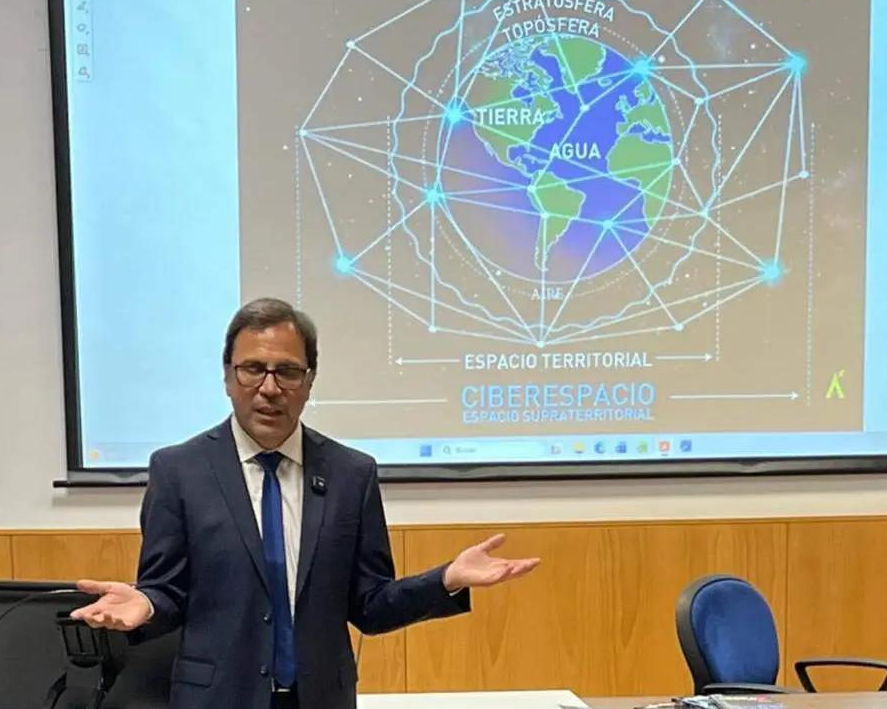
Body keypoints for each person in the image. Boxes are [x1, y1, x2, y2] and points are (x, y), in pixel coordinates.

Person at [71, 298, 540, 709]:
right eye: (253, 369)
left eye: (288, 371)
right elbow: (167, 592)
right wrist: (146, 604)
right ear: (228, 377)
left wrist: (446, 580)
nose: (270, 387)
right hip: (216, 697)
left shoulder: (350, 474)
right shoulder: (180, 471)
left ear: (309, 380)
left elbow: (371, 605)